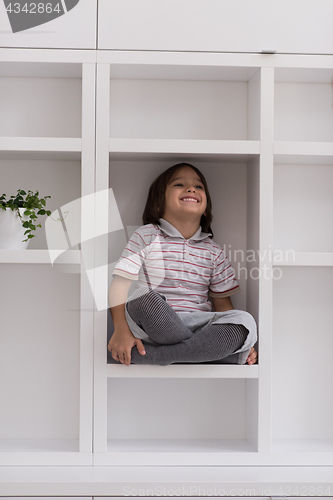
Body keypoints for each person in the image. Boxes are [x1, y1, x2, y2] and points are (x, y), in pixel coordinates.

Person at [108, 163, 258, 366]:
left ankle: (159, 356)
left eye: (199, 187)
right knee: (141, 297)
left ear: (205, 209)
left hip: (198, 326)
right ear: (159, 204)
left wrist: (239, 339)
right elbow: (119, 286)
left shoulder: (214, 251)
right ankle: (205, 354)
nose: (191, 189)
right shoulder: (146, 235)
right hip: (152, 326)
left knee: (245, 321)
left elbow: (223, 307)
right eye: (179, 184)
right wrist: (120, 330)